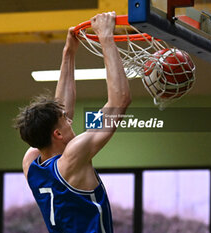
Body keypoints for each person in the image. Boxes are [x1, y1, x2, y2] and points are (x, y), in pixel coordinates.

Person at [14, 12, 131, 233]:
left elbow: (60, 111)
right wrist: (106, 37)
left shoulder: (31, 162)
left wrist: (69, 52)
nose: (70, 119)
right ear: (57, 134)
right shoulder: (74, 156)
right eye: (66, 120)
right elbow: (120, 101)